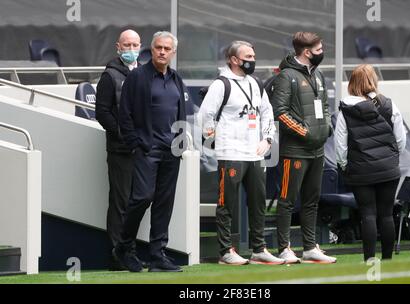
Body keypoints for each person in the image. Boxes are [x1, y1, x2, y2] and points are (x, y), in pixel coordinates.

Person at [113, 31, 192, 272]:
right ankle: (124, 247)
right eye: (158, 47)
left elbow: (181, 113)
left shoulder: (177, 79)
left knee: (164, 203)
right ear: (152, 48)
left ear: (173, 52)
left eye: (167, 49)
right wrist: (136, 143)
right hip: (147, 149)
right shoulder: (137, 77)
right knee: (143, 197)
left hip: (171, 152)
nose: (162, 52)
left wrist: (180, 142)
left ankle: (158, 255)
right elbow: (124, 115)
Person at [199, 40, 284, 265]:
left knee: (257, 203)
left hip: (254, 153)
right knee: (226, 203)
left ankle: (259, 249)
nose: (252, 61)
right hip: (230, 153)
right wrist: (216, 140)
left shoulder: (255, 83)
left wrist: (267, 139)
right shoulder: (221, 84)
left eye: (253, 56)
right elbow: (205, 115)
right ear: (234, 60)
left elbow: (267, 112)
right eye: (248, 57)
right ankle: (226, 251)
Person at [270, 32, 336, 264]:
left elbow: (325, 106)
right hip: (295, 150)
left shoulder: (319, 75)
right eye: (319, 49)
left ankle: (310, 247)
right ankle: (284, 248)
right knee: (287, 200)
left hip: (318, 149)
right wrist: (305, 133)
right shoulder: (286, 76)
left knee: (312, 199)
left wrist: (325, 128)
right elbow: (280, 113)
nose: (322, 52)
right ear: (307, 52)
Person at [334, 64, 406, 262]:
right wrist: (392, 158)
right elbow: (401, 138)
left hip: (360, 169)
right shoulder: (390, 105)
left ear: (352, 83)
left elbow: (340, 144)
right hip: (388, 168)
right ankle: (388, 259)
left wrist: (344, 165)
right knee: (386, 215)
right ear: (374, 81)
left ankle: (369, 260)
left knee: (368, 214)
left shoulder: (345, 111)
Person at [95, 29, 141, 271]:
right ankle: (117, 255)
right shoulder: (109, 76)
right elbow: (102, 112)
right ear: (118, 47)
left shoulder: (144, 73)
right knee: (120, 203)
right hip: (121, 151)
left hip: (142, 151)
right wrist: (125, 136)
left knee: (137, 202)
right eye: (127, 45)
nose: (131, 49)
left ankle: (130, 252)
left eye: (135, 44)